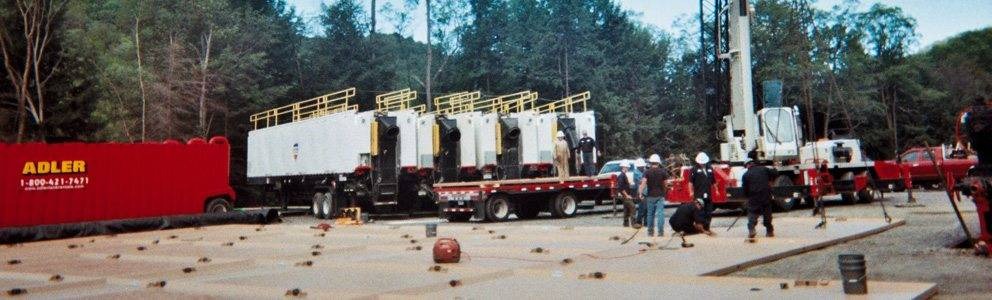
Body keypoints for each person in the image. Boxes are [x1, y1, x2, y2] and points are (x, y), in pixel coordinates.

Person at [742, 158, 776, 239]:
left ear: (747, 165)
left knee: (752, 213)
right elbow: (775, 174)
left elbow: (745, 188)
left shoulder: (746, 175)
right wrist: (774, 168)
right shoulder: (764, 169)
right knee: (767, 214)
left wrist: (747, 197)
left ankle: (751, 229)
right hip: (766, 196)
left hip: (754, 197)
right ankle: (769, 231)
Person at [638, 154, 668, 237]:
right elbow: (665, 184)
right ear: (658, 162)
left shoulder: (646, 172)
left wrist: (640, 193)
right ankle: (660, 232)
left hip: (650, 195)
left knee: (650, 214)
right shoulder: (663, 172)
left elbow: (643, 183)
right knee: (661, 214)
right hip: (660, 195)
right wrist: (664, 192)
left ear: (651, 163)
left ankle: (650, 232)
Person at [687, 152, 717, 229]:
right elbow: (690, 182)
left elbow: (713, 181)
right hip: (698, 194)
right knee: (699, 211)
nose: (702, 164)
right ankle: (700, 227)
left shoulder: (709, 168)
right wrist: (691, 192)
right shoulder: (694, 169)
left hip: (708, 193)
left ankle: (707, 226)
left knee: (709, 211)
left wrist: (716, 190)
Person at [963, 96, 992, 166]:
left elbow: (967, 127)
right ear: (984, 102)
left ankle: (983, 172)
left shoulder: (969, 114)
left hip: (977, 141)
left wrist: (971, 139)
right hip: (989, 140)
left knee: (982, 159)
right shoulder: (989, 111)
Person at [616, 161, 637, 227]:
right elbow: (621, 187)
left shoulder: (623, 175)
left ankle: (625, 224)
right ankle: (634, 223)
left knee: (626, 209)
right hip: (625, 196)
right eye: (627, 167)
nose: (628, 168)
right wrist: (627, 195)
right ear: (624, 167)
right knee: (632, 206)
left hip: (625, 195)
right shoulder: (622, 176)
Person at [633, 158, 648, 226]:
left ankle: (645, 222)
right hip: (640, 191)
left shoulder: (643, 171)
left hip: (645, 191)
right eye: (641, 166)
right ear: (638, 166)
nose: (643, 167)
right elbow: (642, 181)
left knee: (646, 208)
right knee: (642, 207)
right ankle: (639, 221)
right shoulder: (636, 172)